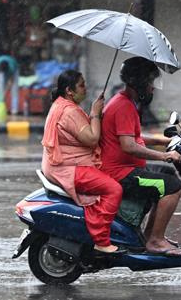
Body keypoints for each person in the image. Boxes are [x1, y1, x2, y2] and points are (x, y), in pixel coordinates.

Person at [99, 57, 181, 257]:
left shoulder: (125, 102)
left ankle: (150, 236)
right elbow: (128, 146)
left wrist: (164, 142)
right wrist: (164, 156)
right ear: (139, 82)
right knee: (172, 186)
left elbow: (135, 137)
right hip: (120, 173)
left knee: (166, 173)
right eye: (150, 83)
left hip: (125, 169)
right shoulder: (123, 106)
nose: (153, 89)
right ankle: (155, 241)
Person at [41, 70, 124, 255]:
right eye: (82, 85)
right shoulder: (69, 111)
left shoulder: (62, 104)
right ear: (70, 91)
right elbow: (92, 139)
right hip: (67, 168)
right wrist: (95, 113)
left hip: (61, 165)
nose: (85, 89)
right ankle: (101, 241)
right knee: (114, 189)